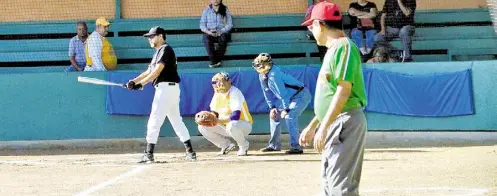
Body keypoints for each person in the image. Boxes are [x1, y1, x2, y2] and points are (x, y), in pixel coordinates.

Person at [300, 2, 368, 196]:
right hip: (335, 121)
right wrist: (314, 124)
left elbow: (343, 90)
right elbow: (331, 96)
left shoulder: (344, 47)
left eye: (311, 26)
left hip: (344, 121)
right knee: (330, 184)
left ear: (320, 24)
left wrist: (323, 125)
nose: (311, 31)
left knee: (341, 188)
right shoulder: (334, 50)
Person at [126, 26, 196, 163]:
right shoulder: (158, 52)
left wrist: (141, 84)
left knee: (154, 121)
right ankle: (190, 151)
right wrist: (133, 81)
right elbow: (148, 71)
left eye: (152, 36)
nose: (150, 39)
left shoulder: (165, 49)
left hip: (165, 89)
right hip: (169, 89)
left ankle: (149, 153)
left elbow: (157, 72)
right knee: (176, 121)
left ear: (161, 36)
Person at [253, 53, 312, 154]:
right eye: (258, 64)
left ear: (268, 64)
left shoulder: (274, 74)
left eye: (262, 64)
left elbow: (283, 94)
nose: (260, 67)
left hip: (300, 95)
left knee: (290, 116)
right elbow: (266, 92)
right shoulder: (262, 75)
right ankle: (274, 145)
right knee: (274, 116)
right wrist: (272, 107)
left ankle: (296, 147)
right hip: (289, 97)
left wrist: (286, 109)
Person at [198, 72, 253, 156]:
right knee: (202, 126)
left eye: (222, 81)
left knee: (232, 125)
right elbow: (214, 112)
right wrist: (209, 118)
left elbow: (235, 116)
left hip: (242, 125)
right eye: (216, 82)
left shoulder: (234, 92)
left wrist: (217, 120)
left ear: (229, 81)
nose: (219, 84)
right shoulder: (217, 94)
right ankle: (226, 145)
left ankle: (243, 146)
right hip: (225, 125)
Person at [200, 0, 233, 68]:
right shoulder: (206, 10)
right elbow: (202, 25)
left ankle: (215, 61)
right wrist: (209, 32)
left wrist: (221, 31)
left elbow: (230, 24)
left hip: (222, 32)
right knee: (206, 38)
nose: (215, 0)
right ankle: (215, 61)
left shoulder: (225, 10)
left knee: (223, 39)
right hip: (210, 33)